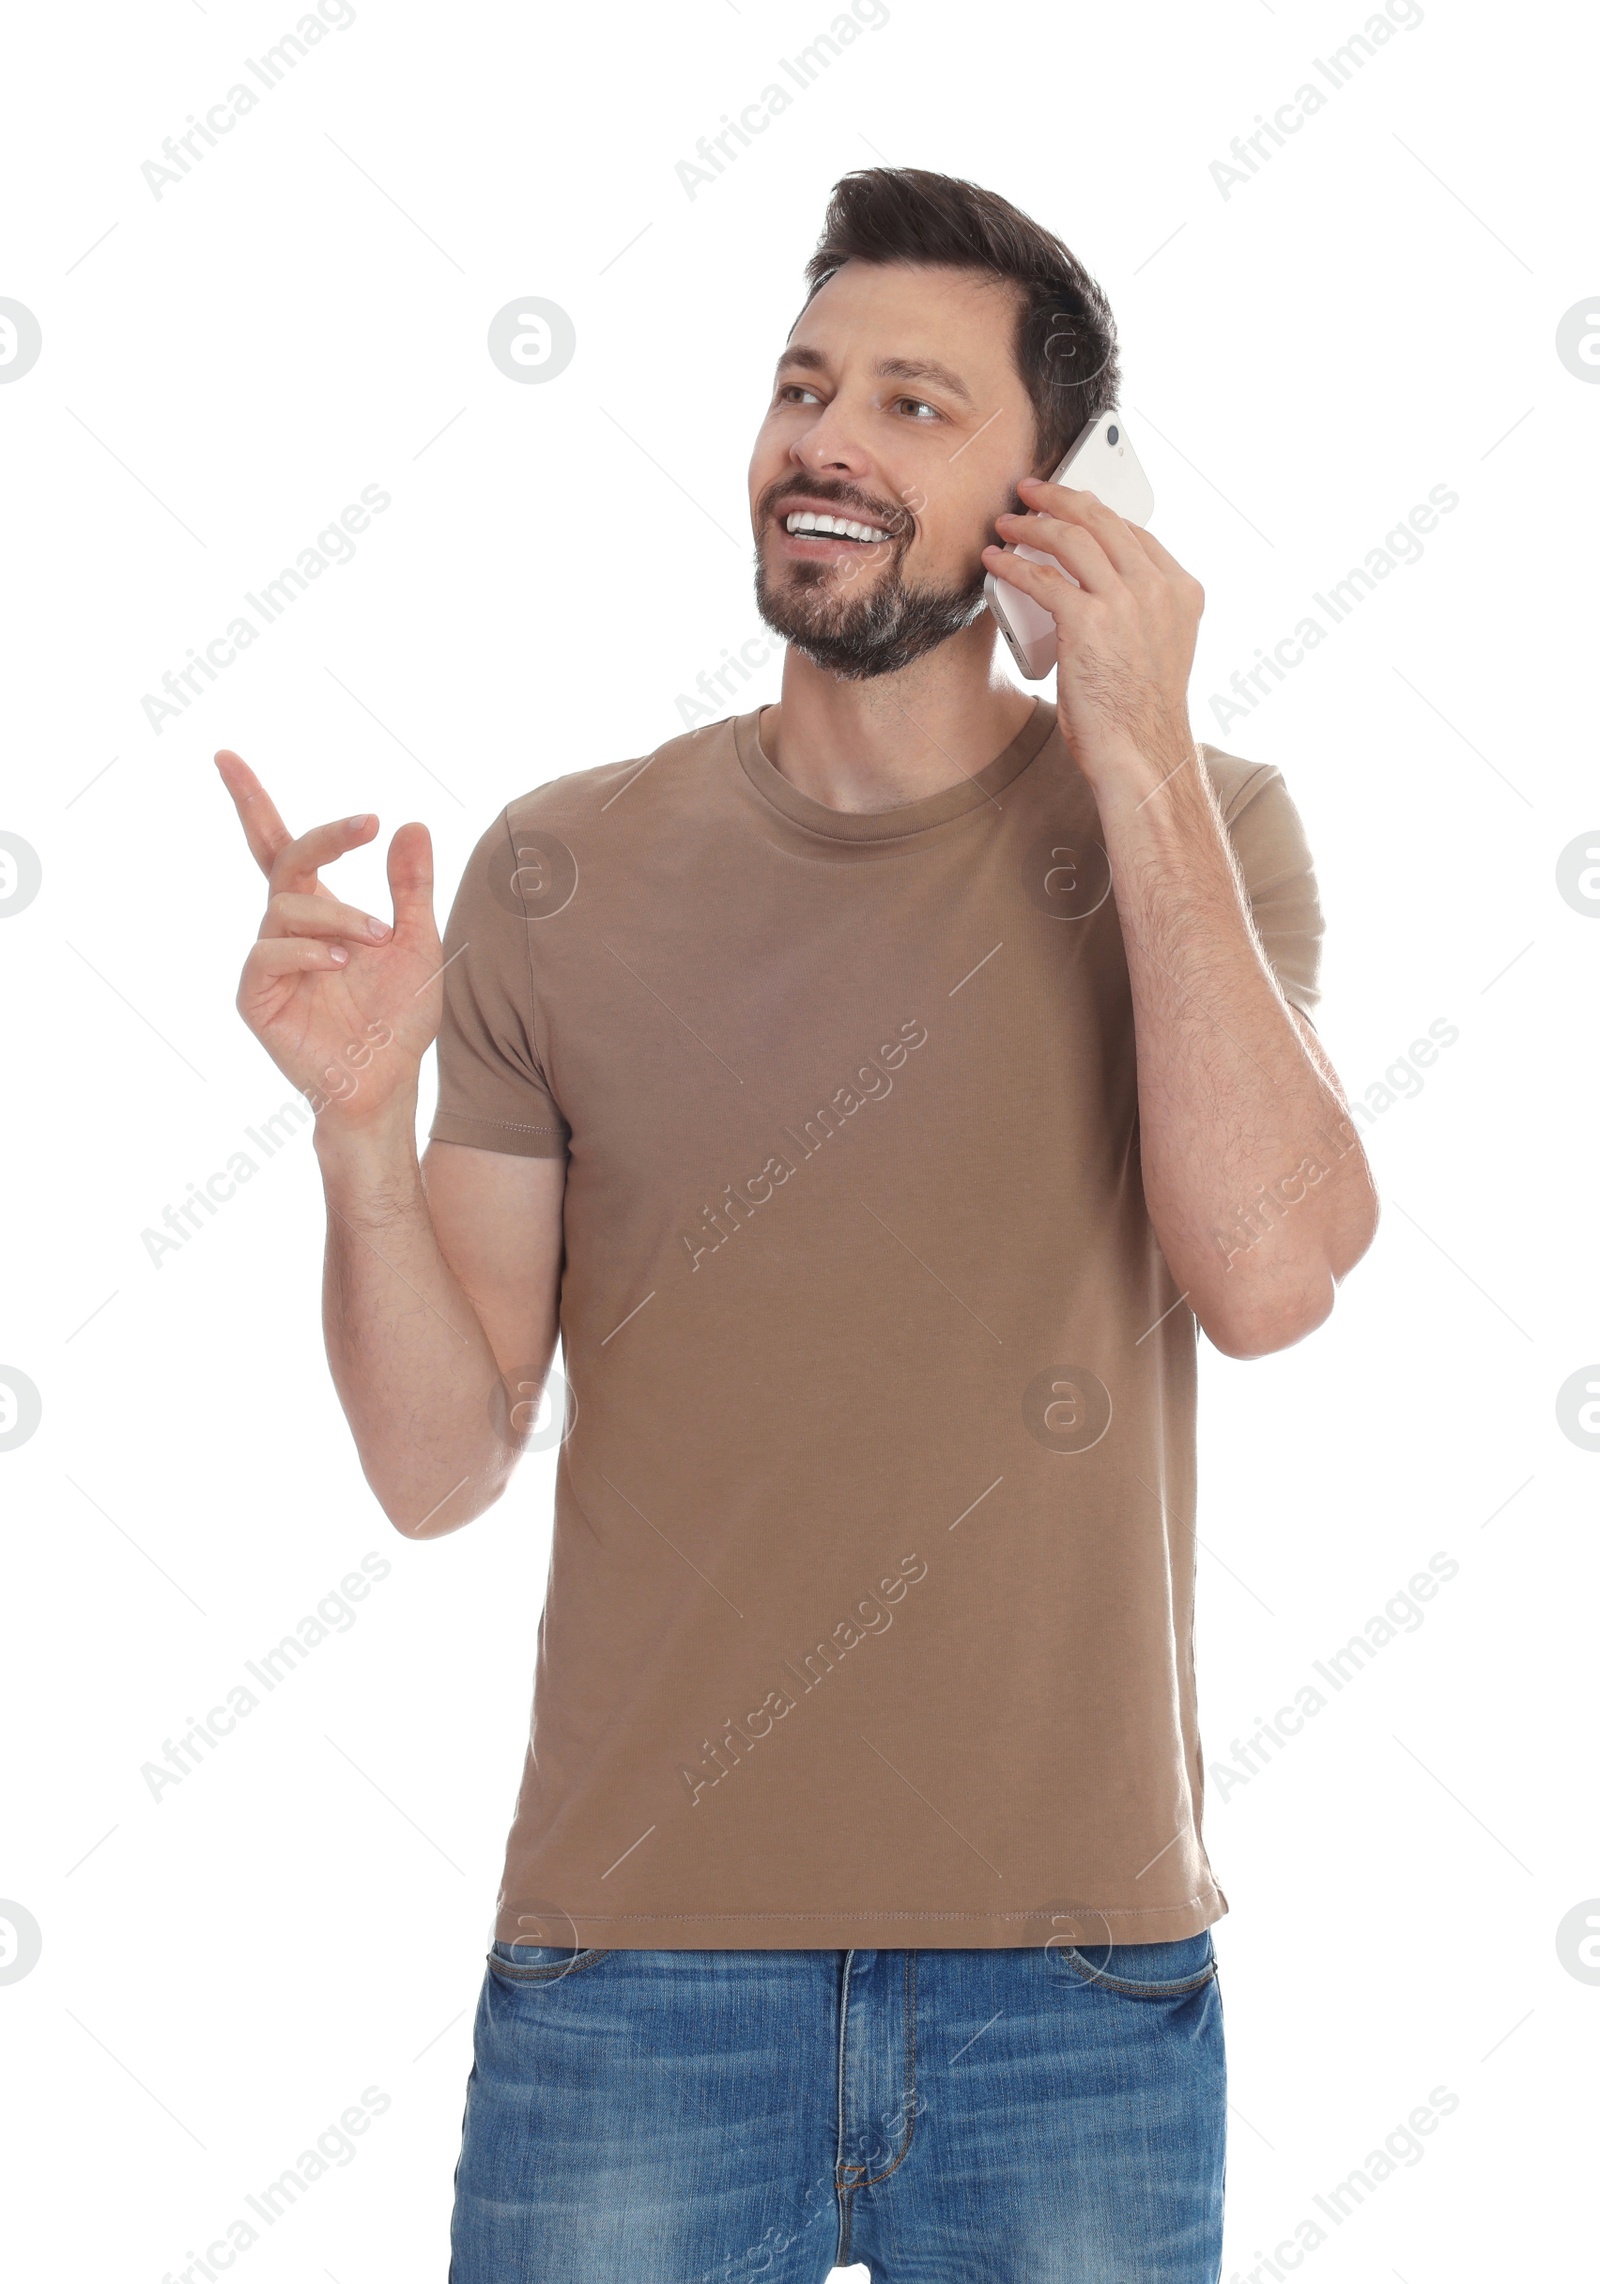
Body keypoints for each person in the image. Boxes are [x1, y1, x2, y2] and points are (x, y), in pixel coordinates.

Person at [218, 167, 1378, 2284]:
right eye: (800, 385)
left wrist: (1131, 737)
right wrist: (359, 1135)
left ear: (1061, 503)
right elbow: (434, 1460)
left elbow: (1273, 1273)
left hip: (1073, 1987)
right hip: (634, 1975)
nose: (824, 439)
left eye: (916, 406)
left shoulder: (1214, 833)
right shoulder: (556, 870)